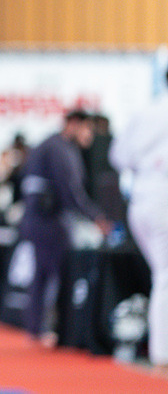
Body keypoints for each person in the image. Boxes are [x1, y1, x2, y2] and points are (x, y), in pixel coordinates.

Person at [17, 109, 110, 345]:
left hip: (37, 219)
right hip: (48, 221)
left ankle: (37, 328)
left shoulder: (50, 145)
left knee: (42, 275)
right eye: (88, 129)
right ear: (75, 124)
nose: (90, 136)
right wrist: (97, 217)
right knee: (57, 275)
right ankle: (53, 329)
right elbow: (71, 191)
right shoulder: (59, 148)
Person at [109, 68, 168, 373]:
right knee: (166, 275)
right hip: (162, 196)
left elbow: (118, 156)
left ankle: (161, 353)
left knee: (163, 274)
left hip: (142, 195)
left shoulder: (147, 111)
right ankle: (162, 356)